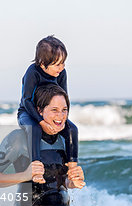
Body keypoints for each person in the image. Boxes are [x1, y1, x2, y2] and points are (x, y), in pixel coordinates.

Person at [17, 35, 79, 184]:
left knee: (72, 129)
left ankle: (72, 169)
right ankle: (36, 169)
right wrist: (41, 122)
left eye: (63, 63)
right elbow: (27, 100)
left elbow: (65, 100)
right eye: (57, 64)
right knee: (35, 129)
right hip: (28, 112)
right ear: (43, 64)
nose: (62, 68)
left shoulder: (62, 74)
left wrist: (62, 120)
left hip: (51, 113)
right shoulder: (33, 72)